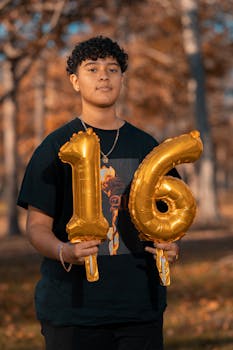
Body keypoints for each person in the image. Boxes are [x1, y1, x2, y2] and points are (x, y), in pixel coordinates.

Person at [17, 36, 180, 350]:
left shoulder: (147, 146)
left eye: (113, 69)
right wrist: (65, 251)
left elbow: (169, 216)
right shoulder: (55, 147)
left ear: (122, 79)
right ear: (75, 81)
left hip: (140, 310)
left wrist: (173, 245)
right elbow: (37, 228)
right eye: (92, 69)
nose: (104, 75)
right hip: (72, 312)